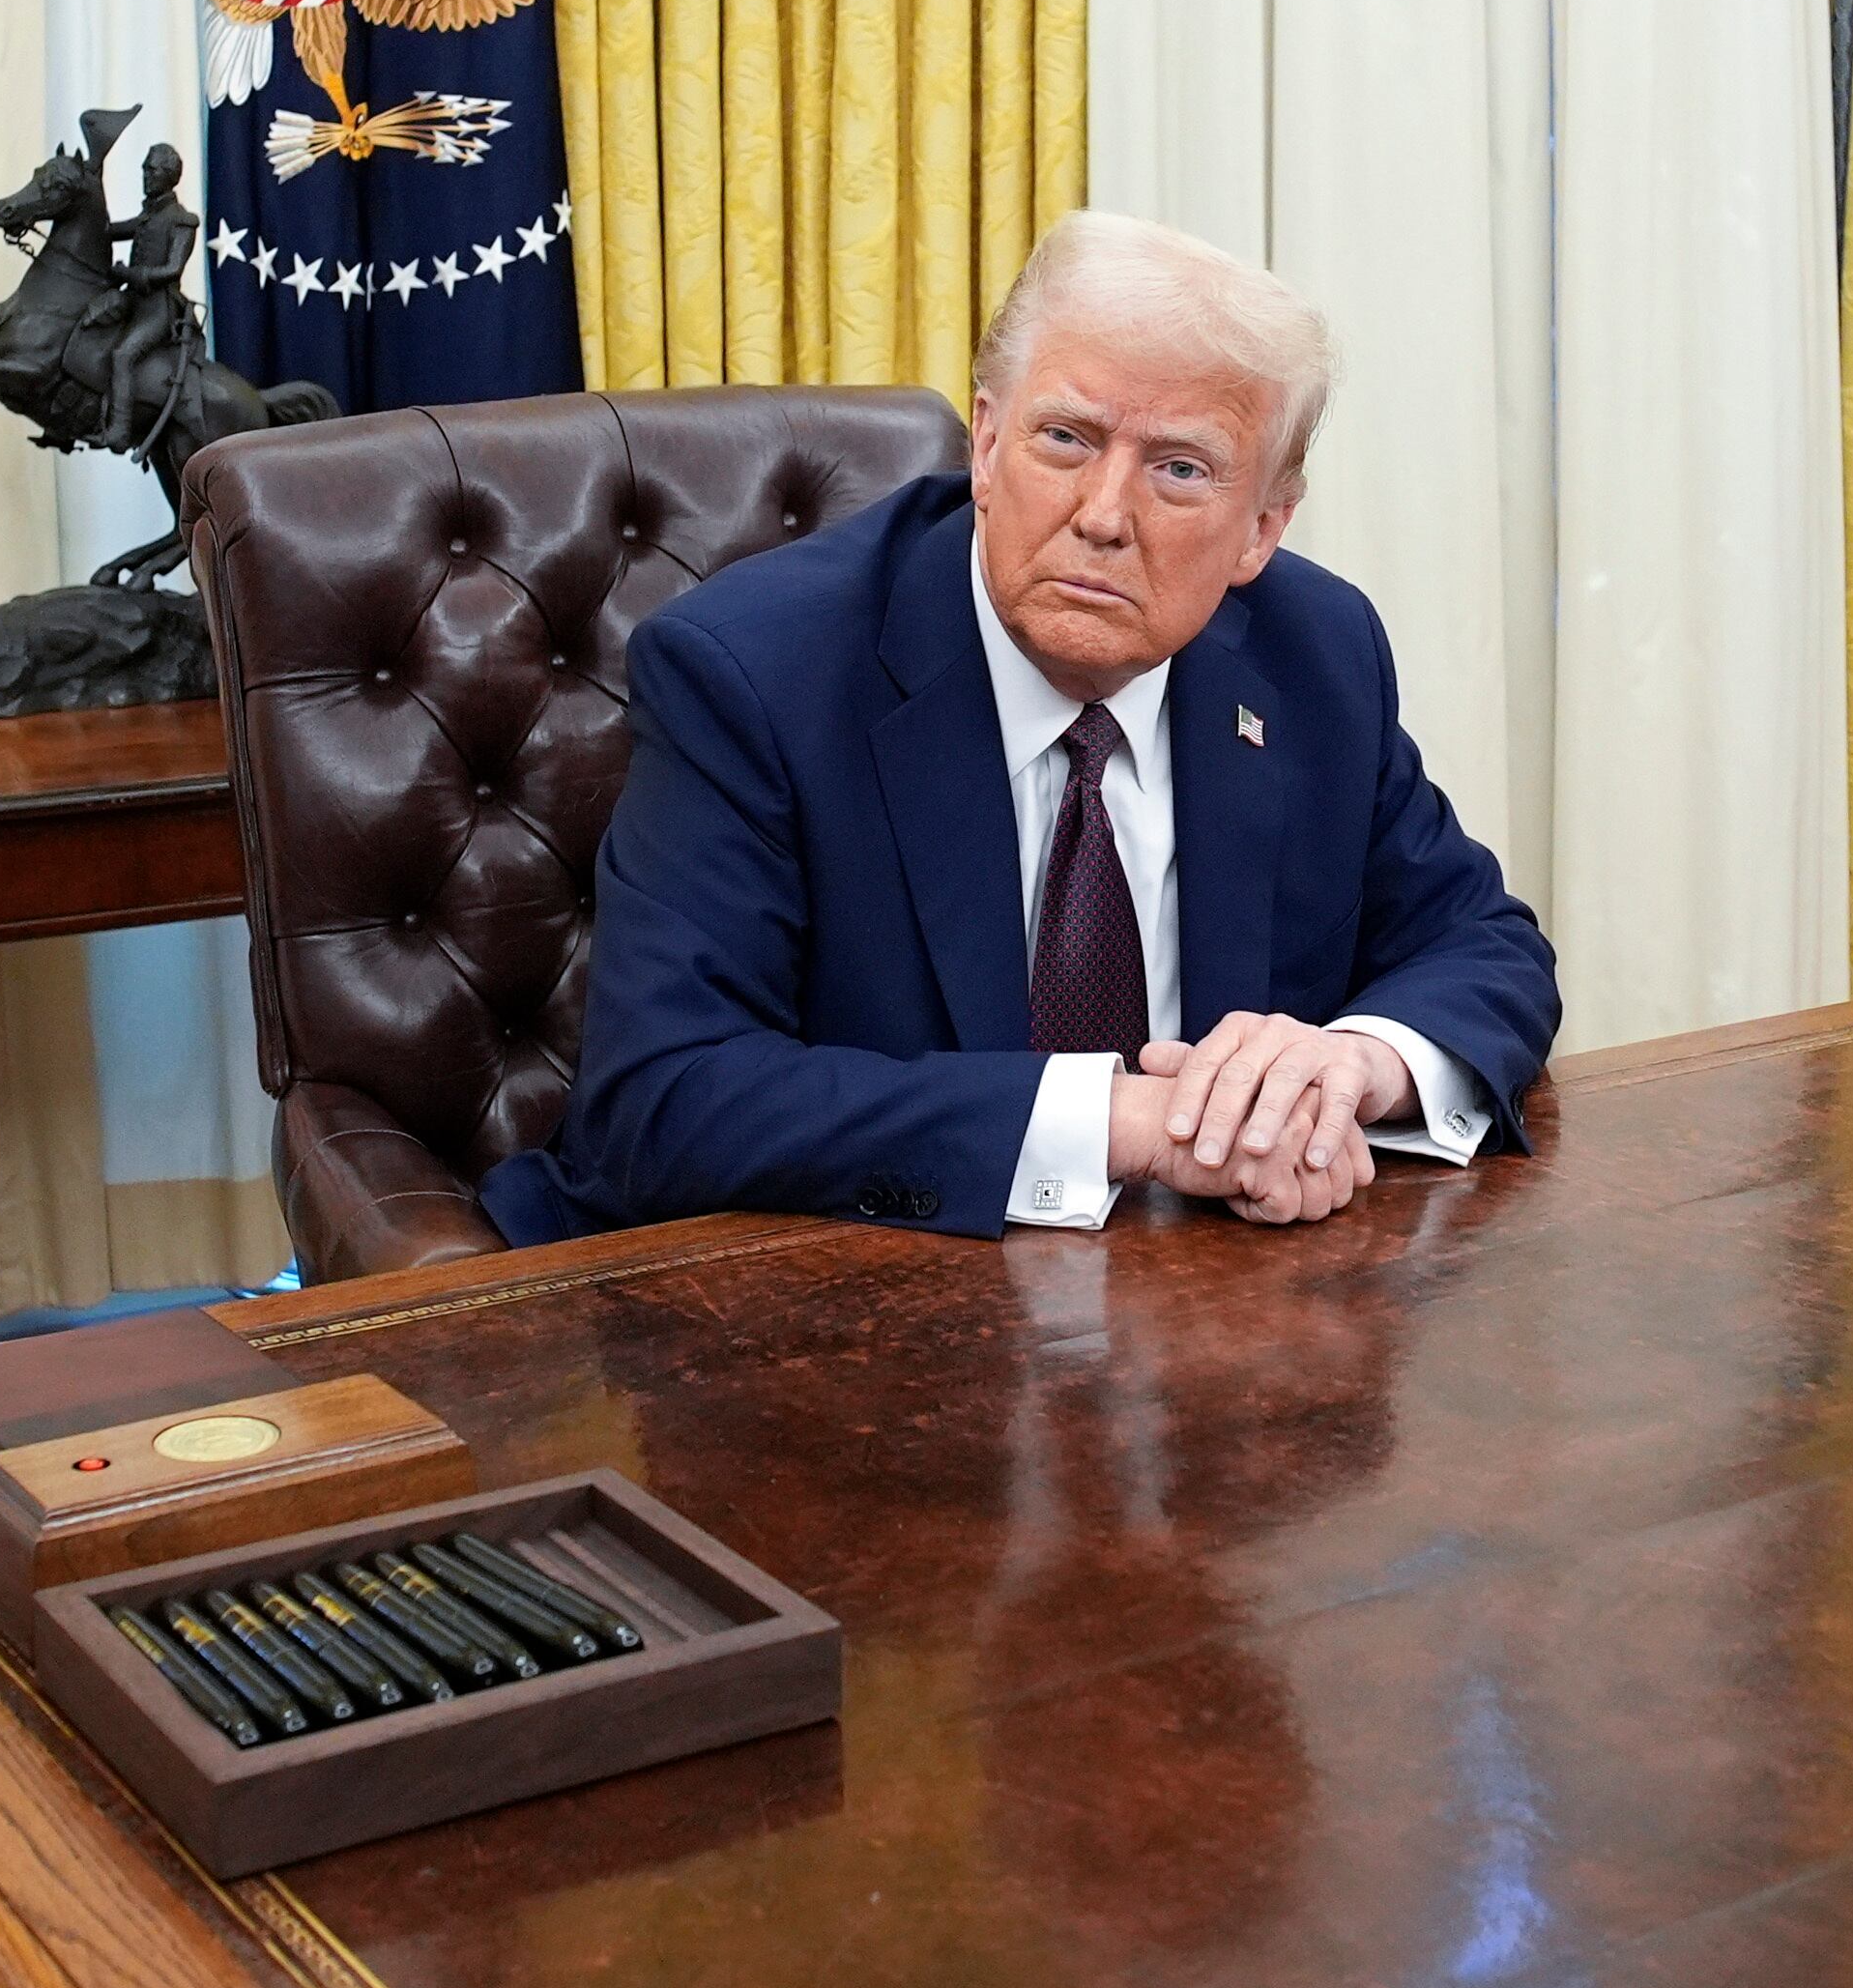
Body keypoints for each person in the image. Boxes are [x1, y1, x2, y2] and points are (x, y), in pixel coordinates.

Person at [478, 211, 1561, 1244]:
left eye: (1179, 469)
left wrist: (1350, 1067)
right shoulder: (755, 672)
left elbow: (1483, 945)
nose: (1102, 514)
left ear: (1263, 529)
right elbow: (665, 1097)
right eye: (1064, 438)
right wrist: (1132, 1125)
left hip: (1217, 1308)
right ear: (986, 446)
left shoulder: (1313, 653)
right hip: (847, 1308)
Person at [98, 142, 202, 448]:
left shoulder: (182, 220)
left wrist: (130, 274)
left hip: (160, 308)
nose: (145, 174)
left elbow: (172, 270)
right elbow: (110, 230)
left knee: (123, 355)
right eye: (145, 168)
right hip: (134, 300)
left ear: (169, 175)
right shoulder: (148, 216)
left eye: (152, 169)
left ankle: (119, 430)